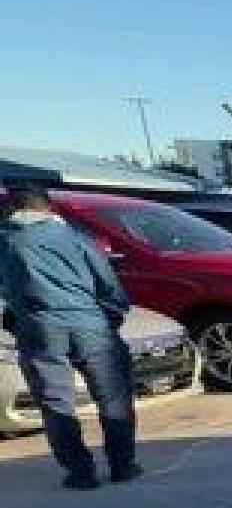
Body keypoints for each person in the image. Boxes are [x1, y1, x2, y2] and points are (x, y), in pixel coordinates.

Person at [0, 184, 140, 489]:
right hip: (90, 324)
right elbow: (109, 286)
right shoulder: (78, 239)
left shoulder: (8, 243)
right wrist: (110, 319)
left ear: (13, 209)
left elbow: (8, 293)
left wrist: (17, 320)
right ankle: (123, 466)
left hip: (40, 329)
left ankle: (81, 473)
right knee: (113, 397)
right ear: (48, 209)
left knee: (55, 402)